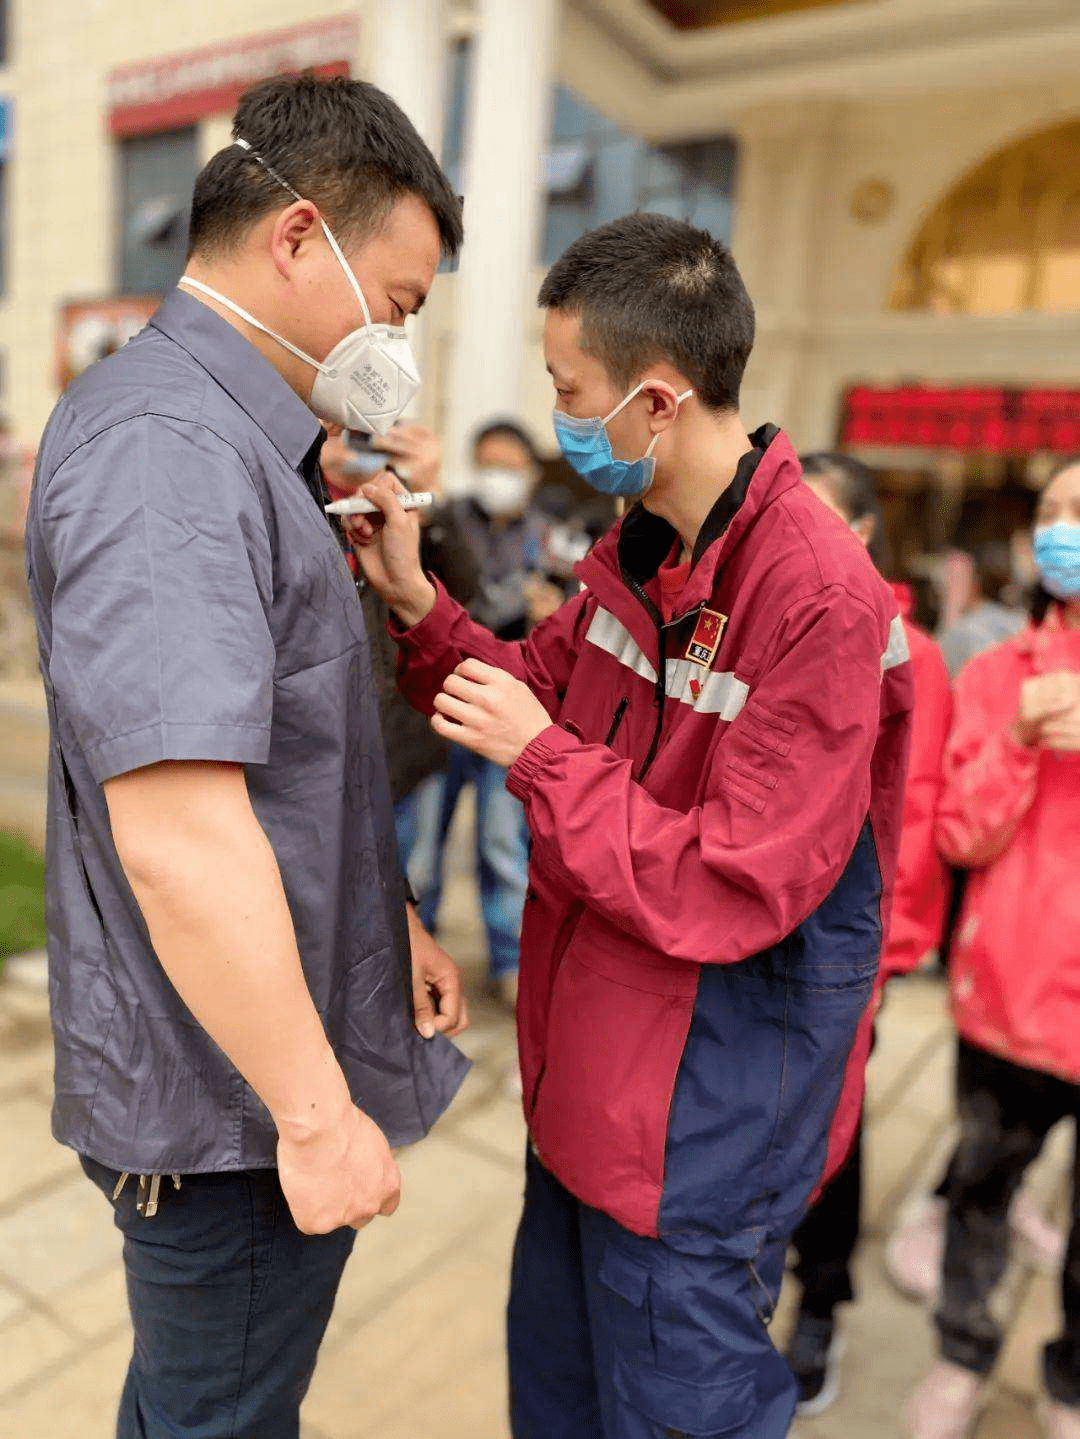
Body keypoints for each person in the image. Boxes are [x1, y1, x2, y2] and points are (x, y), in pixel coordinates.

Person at [351, 212, 914, 1438]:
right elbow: (533, 682)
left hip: (698, 1137)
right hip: (581, 1096)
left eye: (569, 390)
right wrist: (417, 603)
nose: (558, 413)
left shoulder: (815, 600)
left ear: (657, 402)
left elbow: (730, 880)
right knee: (555, 1405)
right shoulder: (642, 545)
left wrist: (542, 758)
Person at [23, 76, 470, 1438]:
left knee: (199, 1401)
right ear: (293, 238)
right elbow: (178, 827)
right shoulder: (168, 450)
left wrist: (384, 916)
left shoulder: (250, 446)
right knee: (218, 1413)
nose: (397, 341)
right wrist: (318, 1111)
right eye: (395, 301)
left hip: (257, 1074)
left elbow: (285, 759)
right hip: (237, 1114)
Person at [906, 458, 1080, 1439]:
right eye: (1050, 515)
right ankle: (961, 1352)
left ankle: (1068, 1378)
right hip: (1005, 994)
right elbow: (960, 834)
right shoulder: (997, 673)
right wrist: (1016, 740)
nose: (1061, 532)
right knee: (981, 1194)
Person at [783, 452, 953, 1415]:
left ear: (862, 533)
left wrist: (877, 961)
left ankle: (823, 1298)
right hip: (748, 942)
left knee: (830, 1140)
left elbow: (917, 817)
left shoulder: (911, 653)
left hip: (845, 958)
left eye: (817, 516)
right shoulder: (763, 625)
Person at [420, 420, 556, 1005]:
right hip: (442, 705)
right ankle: (416, 945)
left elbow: (567, 607)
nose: (497, 478)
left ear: (528, 471)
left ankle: (508, 960)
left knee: (503, 841)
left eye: (509, 466)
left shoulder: (547, 534)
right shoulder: (446, 523)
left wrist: (552, 604)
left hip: (510, 704)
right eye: (487, 464)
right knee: (422, 838)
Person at [320, 425, 479, 909]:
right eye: (346, 435)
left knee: (411, 884)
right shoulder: (297, 502)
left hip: (406, 744)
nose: (359, 450)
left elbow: (463, 588)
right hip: (327, 752)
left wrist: (425, 502)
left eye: (374, 440)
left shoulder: (410, 508)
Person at [937, 541, 1027, 679]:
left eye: (955, 580)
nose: (945, 587)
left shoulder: (962, 633)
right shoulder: (1022, 622)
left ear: (975, 584)